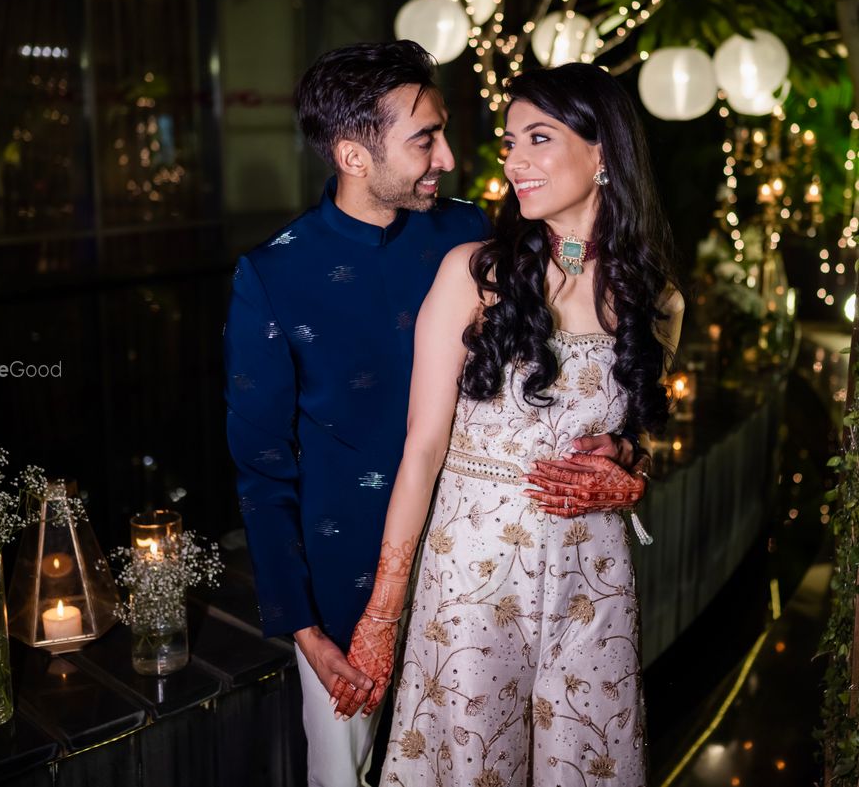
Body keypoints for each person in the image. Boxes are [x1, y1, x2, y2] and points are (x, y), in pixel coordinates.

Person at [225, 43, 642, 787]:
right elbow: (261, 469)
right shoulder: (273, 273)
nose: (448, 155)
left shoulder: (474, 235)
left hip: (492, 559)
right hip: (350, 577)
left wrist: (630, 461)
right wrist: (303, 628)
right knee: (343, 774)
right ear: (355, 154)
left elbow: (590, 382)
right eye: (426, 139)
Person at [333, 62, 684, 787]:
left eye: (538, 138)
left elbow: (639, 436)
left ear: (603, 152)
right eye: (508, 142)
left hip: (595, 578)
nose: (514, 161)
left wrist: (628, 468)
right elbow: (423, 450)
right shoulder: (472, 273)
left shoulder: (658, 298)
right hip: (472, 576)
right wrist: (381, 618)